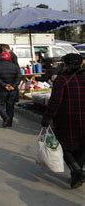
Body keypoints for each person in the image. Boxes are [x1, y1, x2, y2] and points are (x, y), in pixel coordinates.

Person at [41, 53, 85, 189]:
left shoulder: (62, 79)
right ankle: (76, 175)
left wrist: (47, 117)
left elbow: (55, 101)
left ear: (65, 64)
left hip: (67, 119)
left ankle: (77, 171)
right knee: (82, 146)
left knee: (63, 146)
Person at [0, 52, 21, 127]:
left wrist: (4, 85)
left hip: (2, 89)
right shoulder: (15, 66)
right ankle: (9, 122)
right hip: (12, 90)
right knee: (10, 106)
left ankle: (5, 117)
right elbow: (18, 78)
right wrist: (13, 86)